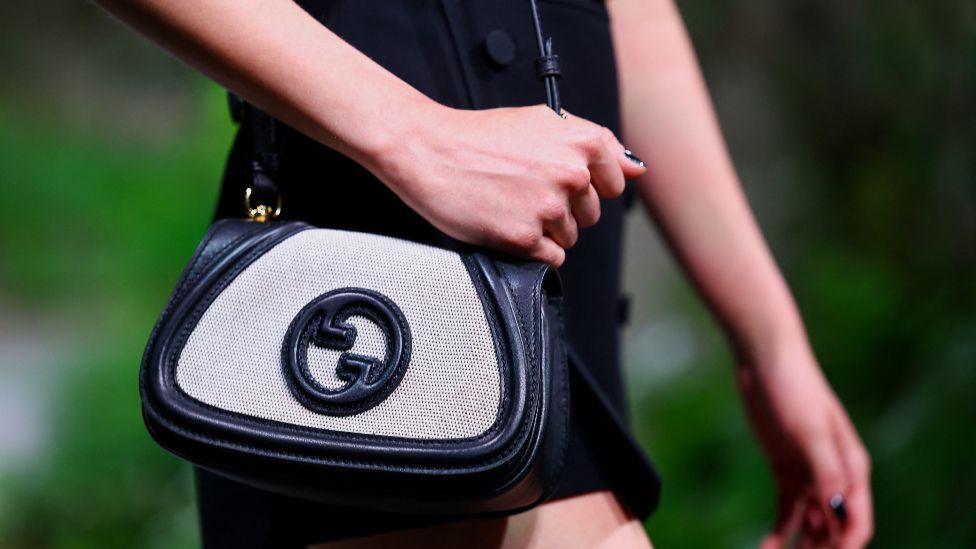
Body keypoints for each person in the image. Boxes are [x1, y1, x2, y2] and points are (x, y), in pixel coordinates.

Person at [95, 0, 874, 547]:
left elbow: (633, 17)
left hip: (556, 250)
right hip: (378, 254)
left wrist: (771, 340)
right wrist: (414, 139)